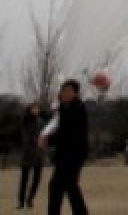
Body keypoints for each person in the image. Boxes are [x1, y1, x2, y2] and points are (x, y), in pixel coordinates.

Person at [40, 80, 88, 215]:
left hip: (75, 155)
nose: (65, 93)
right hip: (64, 154)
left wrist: (48, 139)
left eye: (68, 90)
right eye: (63, 90)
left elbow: (68, 133)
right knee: (61, 186)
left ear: (75, 93)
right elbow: (56, 124)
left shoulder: (78, 108)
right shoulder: (63, 108)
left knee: (65, 185)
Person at [19, 101, 45, 210]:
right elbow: (25, 136)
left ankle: (30, 199)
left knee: (37, 179)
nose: (36, 110)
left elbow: (44, 135)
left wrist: (42, 146)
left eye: (37, 108)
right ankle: (21, 202)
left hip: (39, 153)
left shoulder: (41, 121)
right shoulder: (26, 121)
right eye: (34, 108)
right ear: (30, 109)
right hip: (28, 153)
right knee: (24, 179)